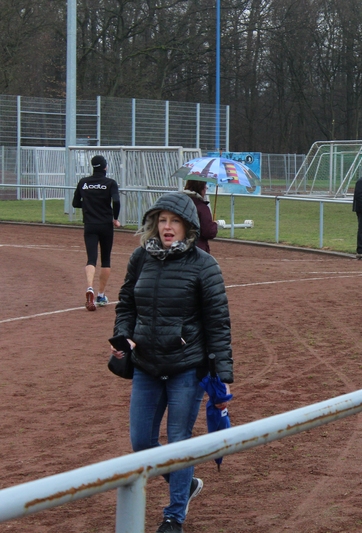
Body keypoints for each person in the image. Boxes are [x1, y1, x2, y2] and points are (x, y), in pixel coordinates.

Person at [112, 192, 233, 533]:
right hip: (146, 365)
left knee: (180, 438)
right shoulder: (140, 258)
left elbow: (218, 324)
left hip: (187, 367)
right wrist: (123, 336)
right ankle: (185, 481)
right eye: (162, 220)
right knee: (141, 442)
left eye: (175, 221)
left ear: (188, 226)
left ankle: (174, 516)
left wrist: (222, 376)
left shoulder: (204, 265)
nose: (167, 227)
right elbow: (126, 304)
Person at [72, 154, 121, 311]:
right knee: (105, 260)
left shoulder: (84, 182)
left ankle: (89, 287)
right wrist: (115, 218)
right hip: (106, 224)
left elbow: (75, 203)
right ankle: (100, 295)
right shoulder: (110, 183)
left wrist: (89, 205)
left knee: (91, 259)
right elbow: (116, 201)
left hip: (90, 225)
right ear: (105, 167)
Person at [182, 180, 218, 253]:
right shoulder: (202, 208)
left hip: (180, 247)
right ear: (200, 188)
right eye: (205, 186)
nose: (206, 189)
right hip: (198, 250)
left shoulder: (180, 204)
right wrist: (214, 224)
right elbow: (208, 232)